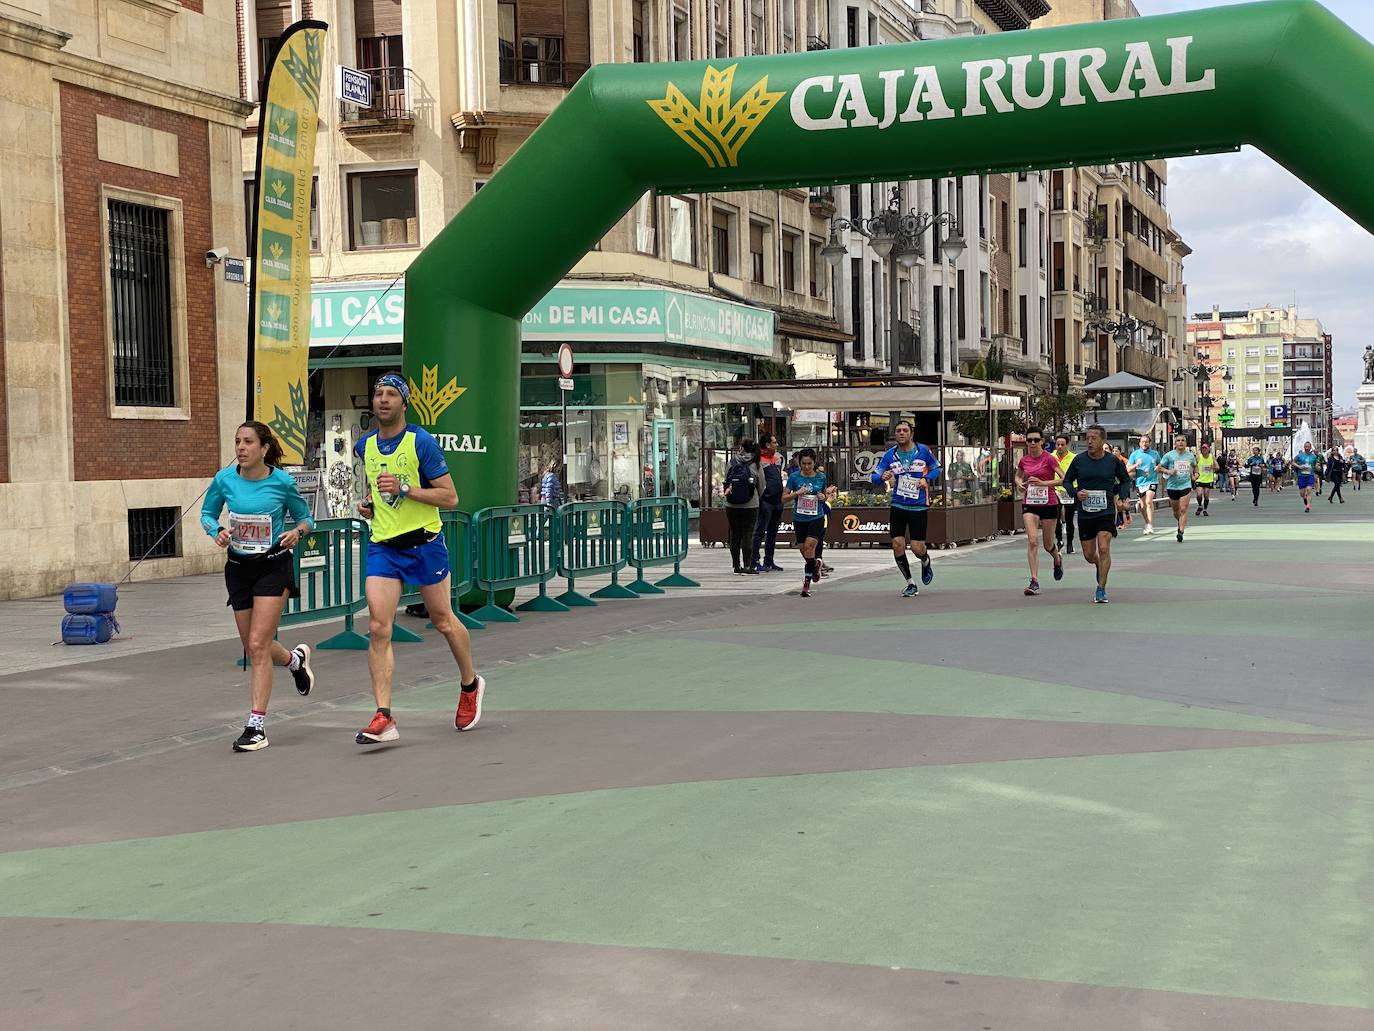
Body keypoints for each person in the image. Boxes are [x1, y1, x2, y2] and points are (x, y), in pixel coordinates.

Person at [354, 373, 485, 745]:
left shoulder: (420, 442)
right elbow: (375, 490)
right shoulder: (365, 446)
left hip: (425, 544)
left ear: (404, 403)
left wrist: (406, 489)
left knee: (443, 620)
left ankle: (470, 685)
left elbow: (450, 497)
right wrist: (368, 505)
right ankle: (384, 716)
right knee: (379, 627)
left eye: (391, 394)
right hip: (384, 547)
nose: (383, 400)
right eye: (378, 393)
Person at [201, 420, 316, 752]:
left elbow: (305, 516)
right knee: (256, 647)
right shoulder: (224, 479)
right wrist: (217, 531)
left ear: (264, 448)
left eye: (248, 442)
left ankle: (256, 727)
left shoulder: (281, 482)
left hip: (272, 566)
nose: (240, 447)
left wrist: (298, 532)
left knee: (257, 643)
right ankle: (295, 661)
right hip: (238, 568)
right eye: (237, 441)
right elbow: (207, 514)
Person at [1061, 424, 1131, 604]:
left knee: (1104, 547)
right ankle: (1099, 564)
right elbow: (1067, 481)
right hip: (1086, 512)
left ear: (1103, 441)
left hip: (1106, 510)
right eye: (1088, 438)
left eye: (1094, 438)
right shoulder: (1079, 460)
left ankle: (1101, 589)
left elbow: (1124, 480)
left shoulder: (1112, 461)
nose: (1090, 441)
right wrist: (1076, 493)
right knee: (1089, 554)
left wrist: (1123, 497)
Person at [870, 419, 940, 598]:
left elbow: (936, 469)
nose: (901, 433)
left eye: (905, 430)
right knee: (897, 544)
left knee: (917, 548)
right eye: (898, 431)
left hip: (918, 506)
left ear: (911, 433)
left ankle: (925, 560)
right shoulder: (890, 455)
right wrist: (882, 477)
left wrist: (926, 479)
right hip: (898, 504)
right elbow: (874, 477)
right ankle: (910, 583)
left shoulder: (923, 451)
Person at [1015, 427, 1065, 596]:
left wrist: (1044, 483)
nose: (1033, 443)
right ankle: (1034, 580)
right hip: (1030, 502)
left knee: (1047, 544)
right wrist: (1019, 483)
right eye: (1029, 440)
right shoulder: (1024, 460)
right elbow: (1018, 475)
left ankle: (1057, 558)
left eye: (1036, 440)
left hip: (1049, 503)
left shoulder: (1049, 459)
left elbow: (1063, 479)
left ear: (1042, 441)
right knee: (1032, 540)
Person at [782, 448, 834, 597]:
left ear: (814, 462)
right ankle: (816, 566)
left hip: (816, 517)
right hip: (799, 518)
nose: (806, 466)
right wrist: (796, 493)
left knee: (810, 548)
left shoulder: (821, 477)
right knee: (805, 552)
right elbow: (783, 498)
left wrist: (823, 496)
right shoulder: (794, 477)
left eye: (809, 463)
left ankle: (806, 584)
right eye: (803, 464)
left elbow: (824, 494)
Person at [721, 439, 762, 575]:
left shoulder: (731, 462)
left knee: (735, 534)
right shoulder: (755, 463)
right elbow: (761, 485)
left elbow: (726, 480)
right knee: (747, 535)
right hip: (751, 505)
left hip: (731, 504)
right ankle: (748, 565)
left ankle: (736, 565)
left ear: (741, 448)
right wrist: (757, 497)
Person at [751, 433, 785, 572]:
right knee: (760, 531)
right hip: (765, 500)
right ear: (767, 445)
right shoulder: (758, 459)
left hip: (777, 500)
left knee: (773, 531)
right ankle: (754, 560)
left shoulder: (777, 459)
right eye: (774, 442)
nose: (777, 445)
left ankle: (769, 560)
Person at [1157, 434, 1199, 542]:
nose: (1181, 442)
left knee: (1183, 509)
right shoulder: (1169, 456)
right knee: (1176, 511)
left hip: (1185, 485)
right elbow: (1159, 468)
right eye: (1178, 440)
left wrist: (1196, 475)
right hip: (1172, 486)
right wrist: (1168, 471)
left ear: (1186, 443)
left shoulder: (1190, 456)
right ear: (1175, 443)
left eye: (1183, 440)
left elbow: (1195, 466)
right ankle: (1180, 522)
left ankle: (1181, 531)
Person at [1126, 434, 1159, 535]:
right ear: (1139, 443)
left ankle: (1150, 525)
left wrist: (1158, 467)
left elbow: (1160, 464)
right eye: (1142, 442)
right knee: (1142, 505)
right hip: (1140, 482)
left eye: (1146, 442)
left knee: (1149, 501)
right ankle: (1147, 523)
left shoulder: (1155, 454)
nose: (1144, 444)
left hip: (1152, 481)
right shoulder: (1134, 455)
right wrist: (1136, 465)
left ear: (1150, 443)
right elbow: (1128, 469)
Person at [1052, 434, 1077, 555]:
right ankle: (1059, 540)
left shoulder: (1074, 458)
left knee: (1069, 518)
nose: (1060, 447)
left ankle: (1070, 543)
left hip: (1069, 490)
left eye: (1062, 444)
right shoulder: (1050, 457)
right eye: (1058, 444)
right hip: (1055, 490)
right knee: (1055, 517)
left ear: (1067, 445)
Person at [1292, 441, 1320, 513]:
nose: (1307, 448)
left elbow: (1316, 464)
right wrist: (1299, 466)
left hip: (1310, 475)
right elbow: (1293, 462)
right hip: (1301, 476)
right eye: (1306, 447)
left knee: (1309, 490)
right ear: (1304, 447)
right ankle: (1305, 498)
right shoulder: (1300, 455)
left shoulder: (1313, 456)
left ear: (1310, 447)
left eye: (1308, 447)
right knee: (1302, 493)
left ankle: (1308, 506)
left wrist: (1317, 467)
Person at [1193, 441, 1217, 517]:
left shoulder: (1211, 457)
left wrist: (1213, 467)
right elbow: (1193, 465)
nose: (1204, 449)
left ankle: (1205, 510)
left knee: (1206, 496)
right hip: (1199, 478)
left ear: (1208, 449)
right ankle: (1200, 505)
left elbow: (1217, 467)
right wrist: (1194, 473)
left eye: (1205, 448)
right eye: (1202, 448)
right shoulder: (1198, 457)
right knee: (1199, 494)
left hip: (1208, 479)